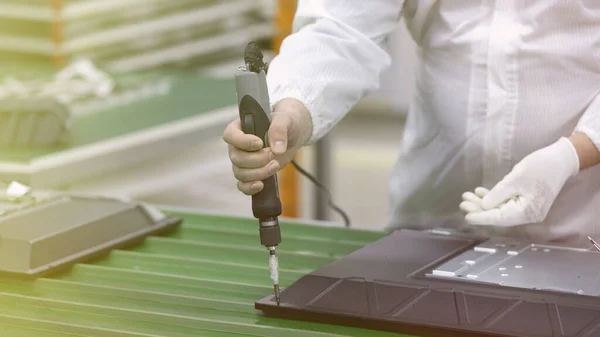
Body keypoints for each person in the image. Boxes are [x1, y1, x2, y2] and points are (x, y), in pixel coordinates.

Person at [223, 1, 600, 245]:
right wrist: (294, 109)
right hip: (434, 226)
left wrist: (573, 153)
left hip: (581, 231)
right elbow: (341, 27)